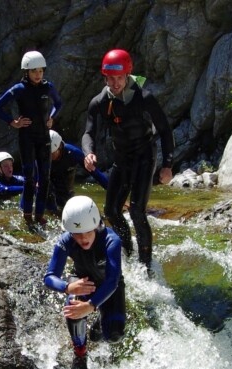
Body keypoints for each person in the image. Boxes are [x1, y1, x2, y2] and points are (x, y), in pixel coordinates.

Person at [82, 48, 174, 273]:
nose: (115, 83)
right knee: (112, 211)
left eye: (119, 78)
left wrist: (168, 165)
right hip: (121, 159)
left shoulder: (144, 98)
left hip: (144, 156)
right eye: (110, 78)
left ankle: (146, 265)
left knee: (136, 211)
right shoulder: (100, 102)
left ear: (127, 75)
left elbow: (164, 129)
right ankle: (128, 250)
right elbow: (88, 133)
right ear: (105, 78)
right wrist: (88, 153)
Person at [44, 195, 125, 369]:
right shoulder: (66, 240)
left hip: (109, 286)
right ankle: (80, 356)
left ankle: (98, 324)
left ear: (96, 225)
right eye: (76, 234)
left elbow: (113, 280)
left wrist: (91, 305)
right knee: (73, 309)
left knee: (114, 335)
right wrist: (67, 287)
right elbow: (49, 277)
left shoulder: (111, 241)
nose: (82, 238)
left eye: (87, 232)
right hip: (81, 281)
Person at [0, 50, 62, 227]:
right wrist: (12, 122)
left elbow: (59, 104)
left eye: (40, 71)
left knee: (45, 178)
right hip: (27, 138)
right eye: (34, 71)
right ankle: (27, 215)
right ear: (26, 72)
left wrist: (52, 117)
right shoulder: (19, 89)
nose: (38, 75)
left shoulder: (48, 87)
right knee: (29, 178)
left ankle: (39, 215)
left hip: (44, 138)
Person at [47, 130, 109, 213]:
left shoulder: (73, 152)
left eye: (52, 153)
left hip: (66, 190)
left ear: (59, 147)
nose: (49, 156)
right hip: (48, 190)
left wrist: (113, 192)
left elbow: (95, 173)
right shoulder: (42, 155)